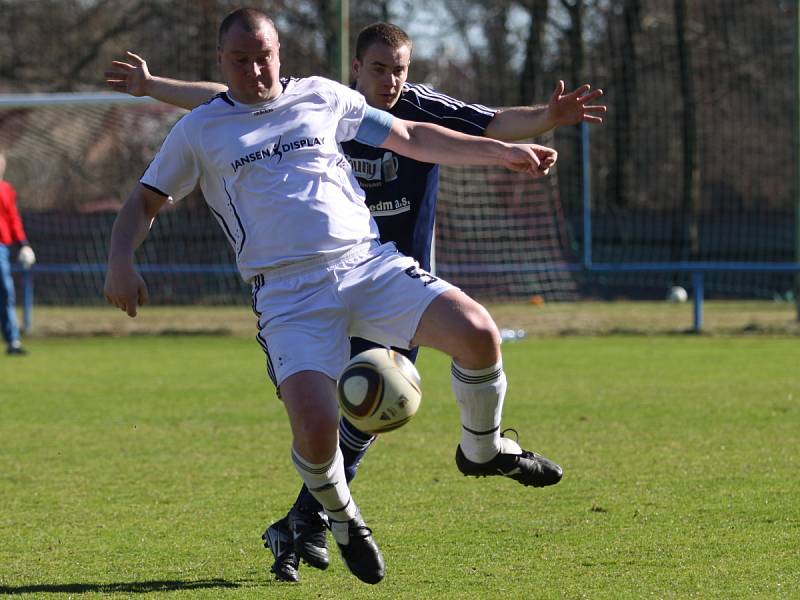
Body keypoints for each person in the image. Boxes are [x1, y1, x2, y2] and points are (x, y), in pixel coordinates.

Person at [105, 20, 603, 583]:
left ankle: (482, 449)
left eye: (264, 56)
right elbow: (143, 203)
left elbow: (412, 137)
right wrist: (121, 259)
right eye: (240, 59)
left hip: (368, 265)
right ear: (221, 60)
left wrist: (500, 153)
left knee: (479, 334)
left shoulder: (320, 95)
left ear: (279, 53)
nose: (255, 69)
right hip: (289, 295)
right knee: (318, 430)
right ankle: (342, 520)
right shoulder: (199, 131)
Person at [0, 152, 36, 356]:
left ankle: (13, 340)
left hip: (1, 248)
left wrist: (24, 244)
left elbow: (13, 219)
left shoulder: (6, 190)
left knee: (6, 291)